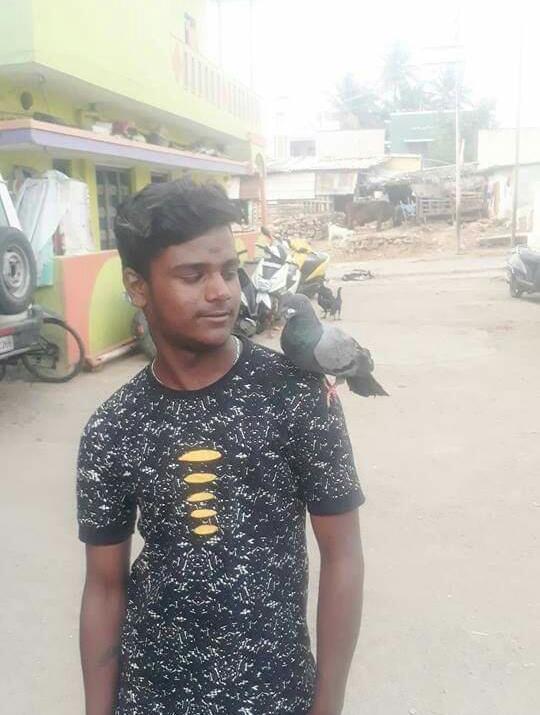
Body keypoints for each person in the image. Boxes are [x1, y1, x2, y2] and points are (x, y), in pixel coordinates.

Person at [77, 178, 365, 715]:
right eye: (193, 275)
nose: (222, 293)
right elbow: (104, 587)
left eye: (230, 271)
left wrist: (328, 705)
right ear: (138, 287)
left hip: (275, 695)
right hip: (149, 697)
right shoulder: (113, 427)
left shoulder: (297, 396)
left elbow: (343, 555)